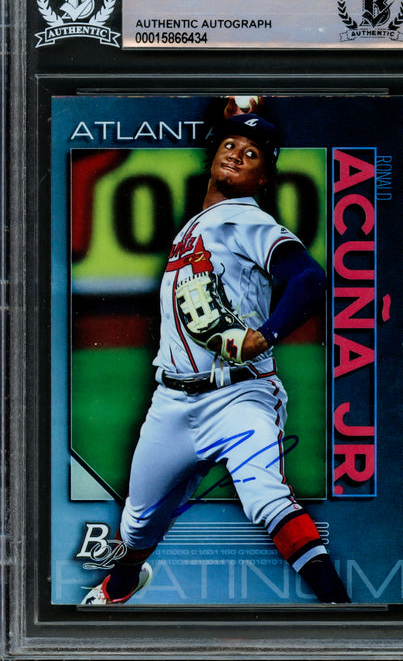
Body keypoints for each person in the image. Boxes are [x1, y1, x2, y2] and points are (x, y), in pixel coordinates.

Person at [81, 107, 350, 605]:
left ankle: (341, 610)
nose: (237, 155)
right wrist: (238, 115)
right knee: (137, 526)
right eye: (230, 146)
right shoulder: (195, 227)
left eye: (252, 155)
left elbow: (309, 278)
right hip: (171, 404)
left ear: (263, 179)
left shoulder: (248, 219)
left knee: (267, 499)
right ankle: (119, 586)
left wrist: (265, 335)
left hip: (239, 397)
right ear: (212, 154)